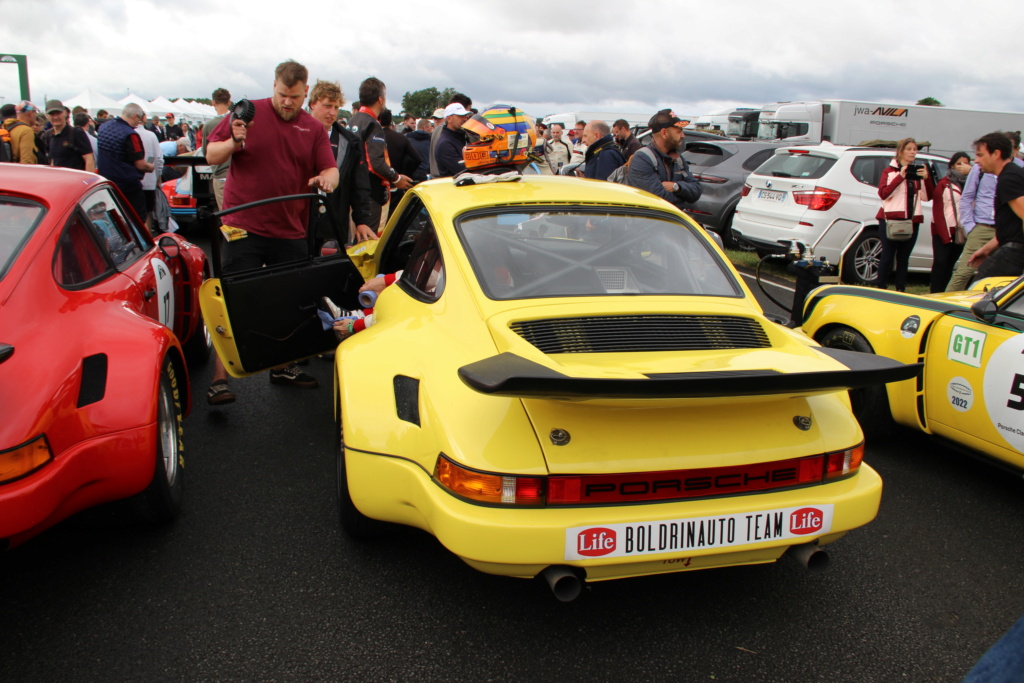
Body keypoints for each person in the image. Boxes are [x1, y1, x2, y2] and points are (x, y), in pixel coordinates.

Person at [204, 59, 339, 403]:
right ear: (274, 86)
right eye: (282, 95)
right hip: (243, 227)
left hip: (289, 229)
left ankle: (283, 367)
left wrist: (326, 179)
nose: (287, 103)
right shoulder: (246, 113)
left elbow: (330, 169)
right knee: (234, 298)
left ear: (305, 92)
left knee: (289, 302)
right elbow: (210, 155)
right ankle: (220, 379)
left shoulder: (313, 127)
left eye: (294, 97)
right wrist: (234, 142)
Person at [947, 132, 1024, 291]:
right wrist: (987, 249)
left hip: (1013, 257)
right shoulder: (1010, 174)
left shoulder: (1009, 178)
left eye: (981, 155)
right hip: (1009, 250)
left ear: (996, 154)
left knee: (978, 293)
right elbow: (1012, 226)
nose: (976, 161)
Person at [307, 78, 375, 245]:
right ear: (313, 104)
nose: (332, 112)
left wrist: (362, 220)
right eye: (327, 106)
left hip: (333, 222)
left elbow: (359, 184)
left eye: (336, 107)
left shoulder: (349, 142)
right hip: (299, 221)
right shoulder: (295, 134)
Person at [347, 77, 413, 232]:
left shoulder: (352, 121)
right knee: (372, 240)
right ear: (380, 100)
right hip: (371, 193)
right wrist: (396, 178)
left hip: (354, 191)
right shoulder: (373, 124)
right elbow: (375, 162)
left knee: (358, 239)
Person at [875, 137, 933, 291]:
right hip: (891, 219)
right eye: (909, 149)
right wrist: (900, 176)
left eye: (915, 149)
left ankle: (900, 289)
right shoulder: (889, 171)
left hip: (912, 220)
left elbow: (926, 197)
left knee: (904, 258)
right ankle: (881, 287)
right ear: (900, 151)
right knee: (887, 256)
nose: (913, 152)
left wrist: (926, 179)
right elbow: (883, 194)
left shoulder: (916, 172)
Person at [627, 109, 702, 211]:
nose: (682, 136)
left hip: (670, 223)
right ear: (664, 133)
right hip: (648, 224)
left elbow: (696, 190)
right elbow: (657, 199)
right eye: (678, 131)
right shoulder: (642, 158)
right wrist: (684, 200)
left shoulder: (678, 159)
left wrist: (677, 187)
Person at [96, 102, 155, 222]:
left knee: (114, 219)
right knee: (137, 219)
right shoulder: (130, 134)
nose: (138, 123)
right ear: (134, 116)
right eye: (138, 119)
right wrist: (150, 167)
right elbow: (140, 164)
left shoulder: (103, 127)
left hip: (107, 183)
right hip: (127, 185)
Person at [929, 151, 971, 292]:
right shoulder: (944, 183)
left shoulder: (970, 184)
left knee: (950, 264)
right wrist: (945, 235)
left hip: (960, 231)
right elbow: (938, 210)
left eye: (965, 163)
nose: (961, 167)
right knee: (940, 263)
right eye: (958, 163)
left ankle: (944, 292)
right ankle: (934, 291)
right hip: (943, 230)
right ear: (952, 165)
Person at [201, 87, 233, 209]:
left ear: (213, 102)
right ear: (229, 102)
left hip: (221, 175)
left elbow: (206, 153)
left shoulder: (209, 125)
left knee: (226, 217)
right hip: (240, 175)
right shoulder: (237, 121)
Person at [44, 99, 95, 172]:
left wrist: (88, 181)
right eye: (52, 114)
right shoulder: (48, 135)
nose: (55, 117)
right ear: (47, 116)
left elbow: (89, 159)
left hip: (76, 180)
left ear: (65, 113)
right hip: (59, 180)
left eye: (58, 113)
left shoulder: (76, 133)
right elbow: (53, 160)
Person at [429, 93, 471, 177]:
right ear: (449, 119)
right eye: (460, 116)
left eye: (465, 115)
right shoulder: (445, 143)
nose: (465, 118)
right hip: (452, 186)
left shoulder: (461, 136)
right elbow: (463, 171)